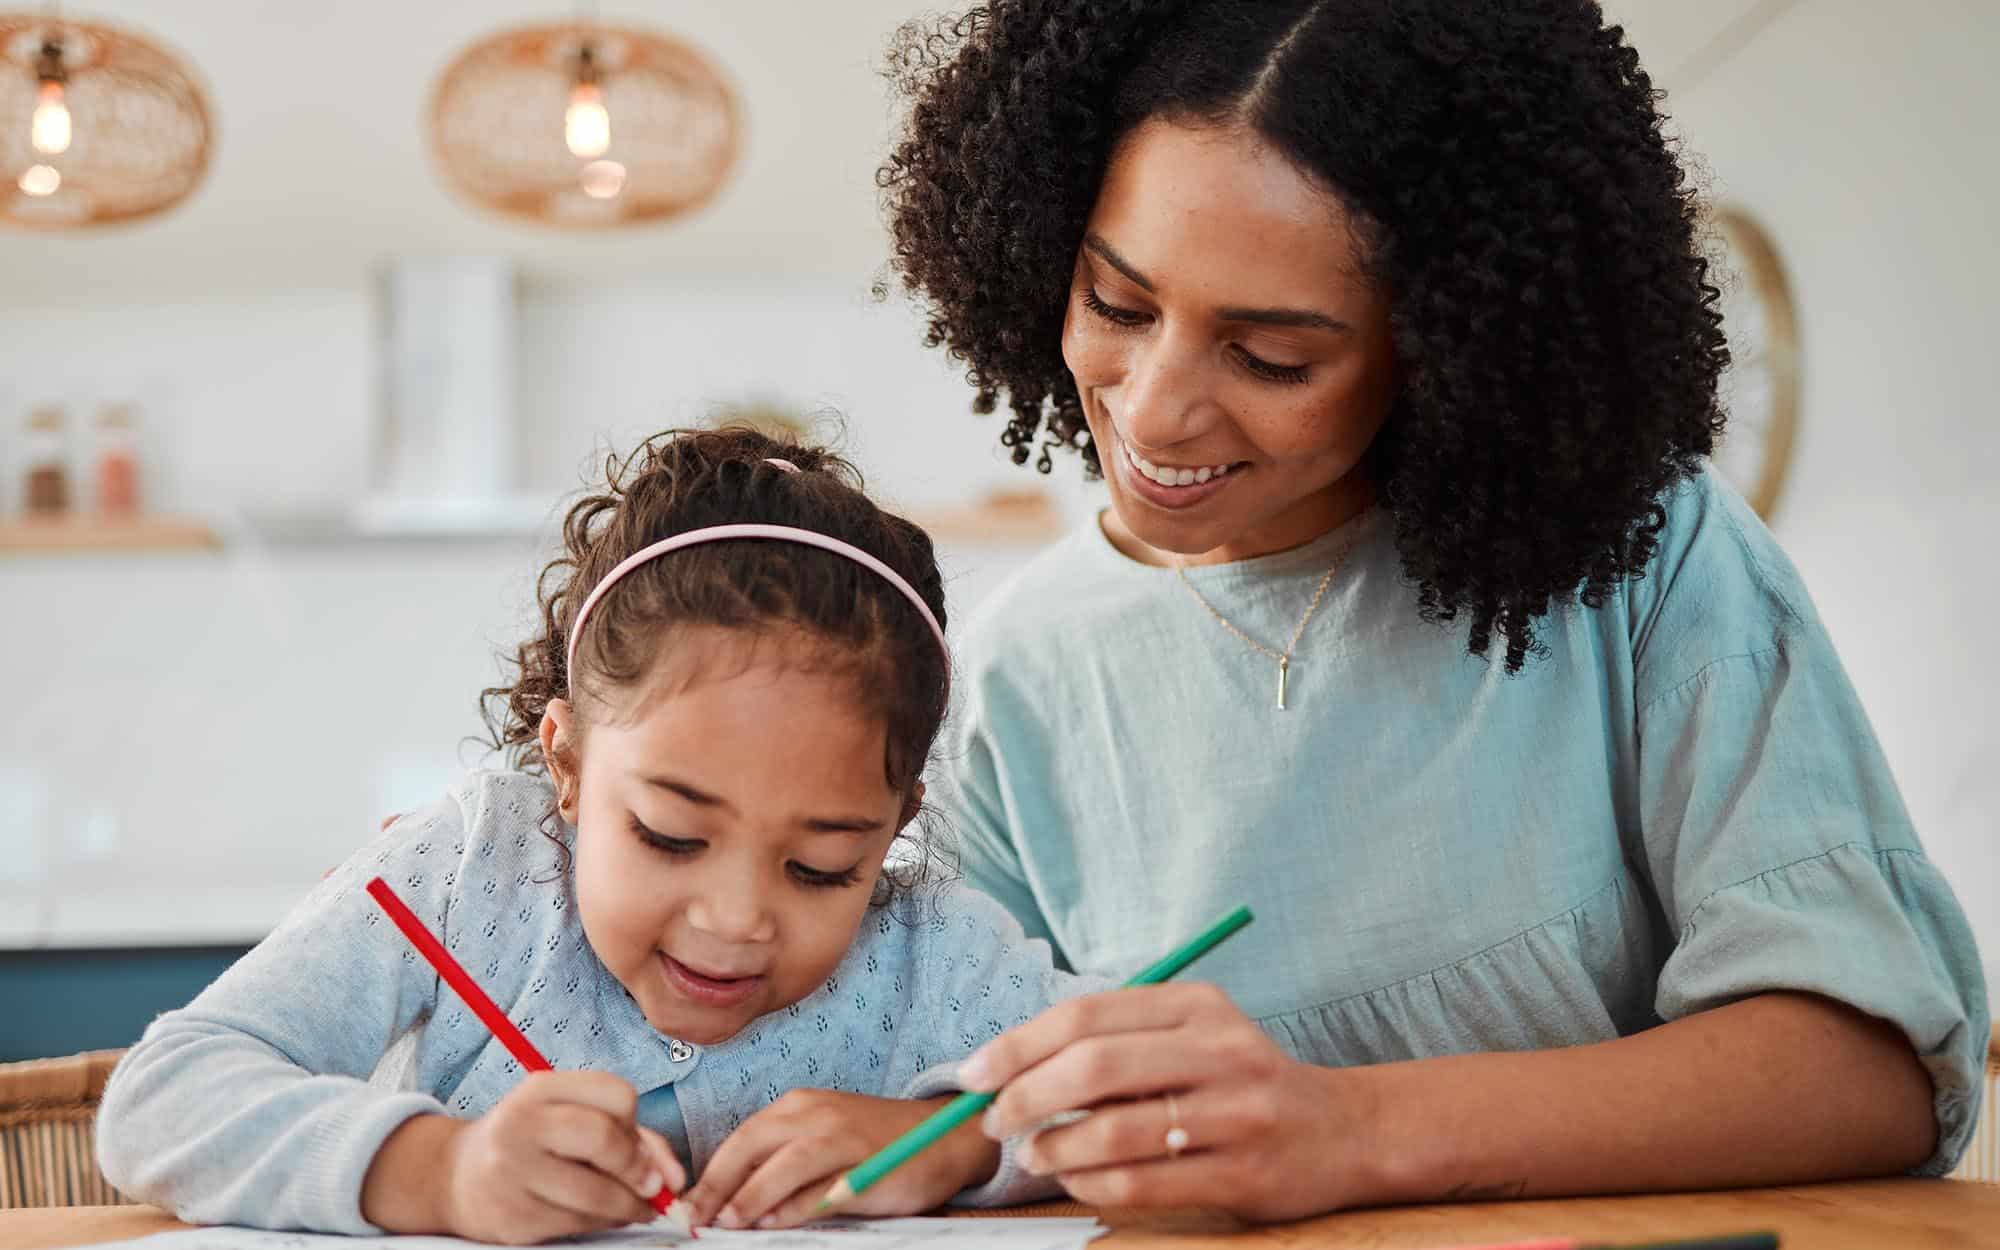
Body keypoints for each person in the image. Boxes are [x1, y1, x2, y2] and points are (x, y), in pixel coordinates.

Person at [876, 0, 1989, 1222]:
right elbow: (973, 1088)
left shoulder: (1637, 560)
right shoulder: (1007, 673)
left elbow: (1871, 1069)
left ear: (1446, 344)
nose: (1149, 413)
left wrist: (1354, 1130)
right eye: (1118, 304)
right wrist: (928, 1131)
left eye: (1271, 358)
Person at [96, 428, 1106, 1241]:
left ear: (892, 827)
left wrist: (957, 1135)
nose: (736, 919)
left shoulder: (932, 944)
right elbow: (164, 1094)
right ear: (568, 763)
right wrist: (440, 1171)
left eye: (822, 865)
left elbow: (1125, 1090)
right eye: (669, 834)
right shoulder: (463, 870)